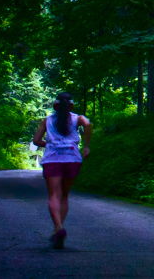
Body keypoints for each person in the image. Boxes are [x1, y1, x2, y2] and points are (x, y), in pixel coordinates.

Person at [32, 93, 92, 249]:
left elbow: (36, 141)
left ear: (55, 106)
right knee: (64, 195)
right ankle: (57, 229)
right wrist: (86, 146)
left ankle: (58, 228)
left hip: (52, 159)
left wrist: (51, 145)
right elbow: (87, 124)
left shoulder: (47, 120)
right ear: (71, 106)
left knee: (53, 195)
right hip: (72, 158)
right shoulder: (77, 118)